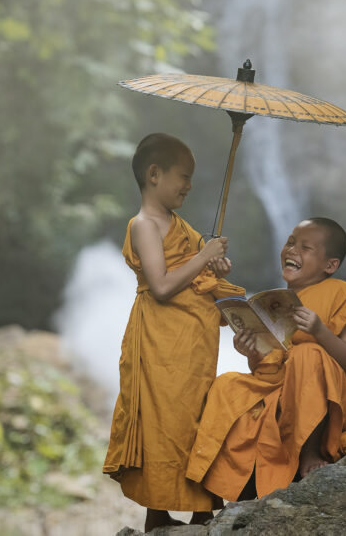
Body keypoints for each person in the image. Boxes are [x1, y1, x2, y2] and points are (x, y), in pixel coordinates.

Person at [186, 218, 346, 501]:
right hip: (285, 390)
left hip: (331, 398)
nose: (292, 250)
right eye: (290, 242)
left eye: (305, 247)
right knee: (229, 385)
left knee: (308, 353)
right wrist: (252, 351)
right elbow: (272, 367)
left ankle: (309, 451)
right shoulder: (280, 301)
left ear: (330, 265)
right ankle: (223, 486)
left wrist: (320, 331)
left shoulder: (340, 294)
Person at [103, 133, 244, 531]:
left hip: (195, 342)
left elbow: (199, 269)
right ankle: (157, 513)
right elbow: (162, 286)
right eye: (183, 176)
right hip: (161, 340)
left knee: (196, 416)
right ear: (153, 174)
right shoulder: (144, 225)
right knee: (164, 420)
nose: (189, 185)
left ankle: (202, 507)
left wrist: (216, 265)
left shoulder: (181, 225)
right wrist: (203, 256)